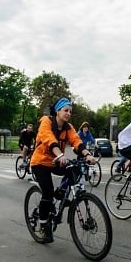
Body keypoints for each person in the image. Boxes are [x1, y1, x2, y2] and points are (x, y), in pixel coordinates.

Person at [30, 98, 96, 243]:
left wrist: (87, 155)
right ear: (58, 111)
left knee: (75, 170)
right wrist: (59, 154)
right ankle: (43, 224)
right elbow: (48, 138)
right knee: (47, 192)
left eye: (70, 111)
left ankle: (60, 194)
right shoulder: (46, 121)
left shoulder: (68, 127)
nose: (68, 114)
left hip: (57, 160)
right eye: (66, 110)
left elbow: (76, 141)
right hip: (40, 162)